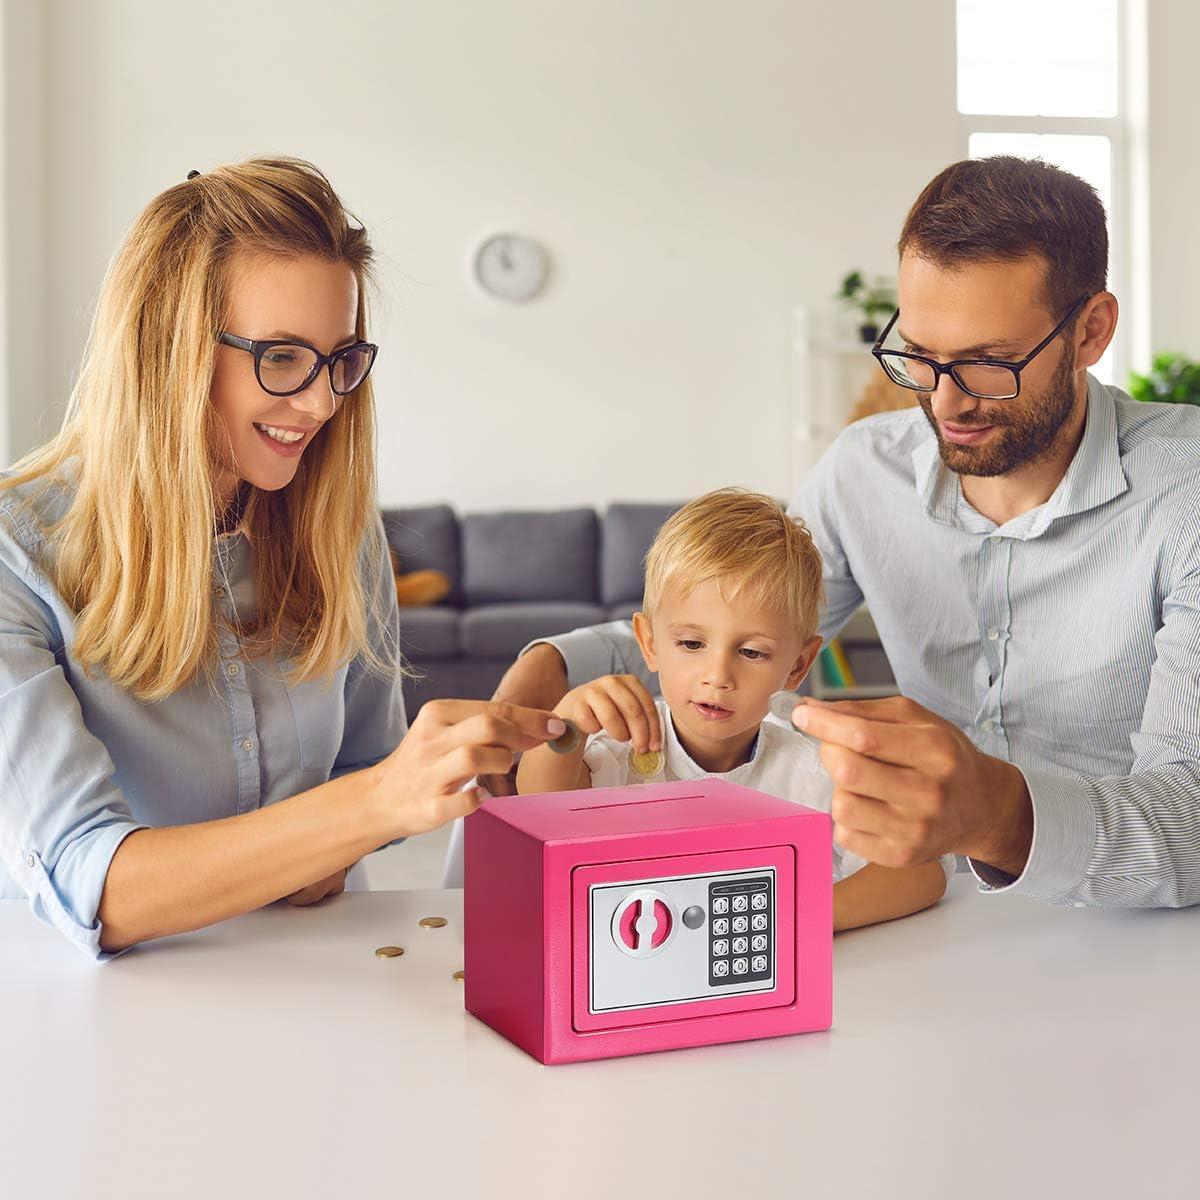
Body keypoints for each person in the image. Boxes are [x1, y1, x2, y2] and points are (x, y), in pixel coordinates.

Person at [495, 155, 1200, 909]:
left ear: (1092, 330)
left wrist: (998, 816)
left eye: (991, 363)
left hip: (1134, 937)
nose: (947, 404)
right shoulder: (865, 471)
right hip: (927, 922)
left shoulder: (1183, 494)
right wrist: (554, 664)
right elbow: (735, 626)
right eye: (921, 358)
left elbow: (1189, 819)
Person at [0, 158, 564, 959]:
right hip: (106, 1017)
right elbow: (93, 885)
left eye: (339, 360)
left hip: (327, 980)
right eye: (282, 357)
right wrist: (369, 808)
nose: (321, 402)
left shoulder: (339, 529)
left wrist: (363, 825)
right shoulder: (18, 554)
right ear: (169, 351)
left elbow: (365, 765)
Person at [516, 489, 950, 930]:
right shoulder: (622, 749)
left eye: (752, 652)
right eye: (690, 644)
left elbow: (921, 872)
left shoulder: (815, 769)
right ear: (649, 643)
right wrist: (567, 728)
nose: (717, 675)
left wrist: (792, 921)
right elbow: (536, 803)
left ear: (798, 665)